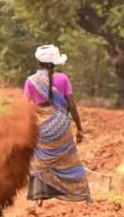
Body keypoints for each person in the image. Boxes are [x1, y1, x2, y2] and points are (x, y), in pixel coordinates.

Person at [24, 45, 90, 205]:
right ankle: (83, 195)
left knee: (41, 160)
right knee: (70, 159)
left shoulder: (31, 81)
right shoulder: (63, 79)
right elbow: (72, 106)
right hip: (62, 125)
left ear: (38, 62)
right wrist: (80, 128)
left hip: (43, 127)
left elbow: (25, 108)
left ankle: (39, 198)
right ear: (55, 63)